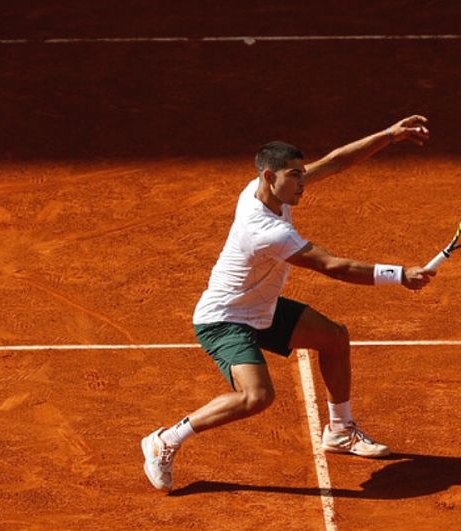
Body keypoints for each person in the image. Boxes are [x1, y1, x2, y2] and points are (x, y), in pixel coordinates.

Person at [140, 116, 436, 491]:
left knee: (333, 338)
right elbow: (333, 266)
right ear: (269, 177)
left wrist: (388, 136)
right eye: (295, 176)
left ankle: (341, 431)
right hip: (225, 318)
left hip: (261, 306)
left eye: (300, 173)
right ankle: (166, 439)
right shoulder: (266, 231)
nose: (303, 183)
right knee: (257, 396)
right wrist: (399, 275)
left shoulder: (263, 187)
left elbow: (334, 161)